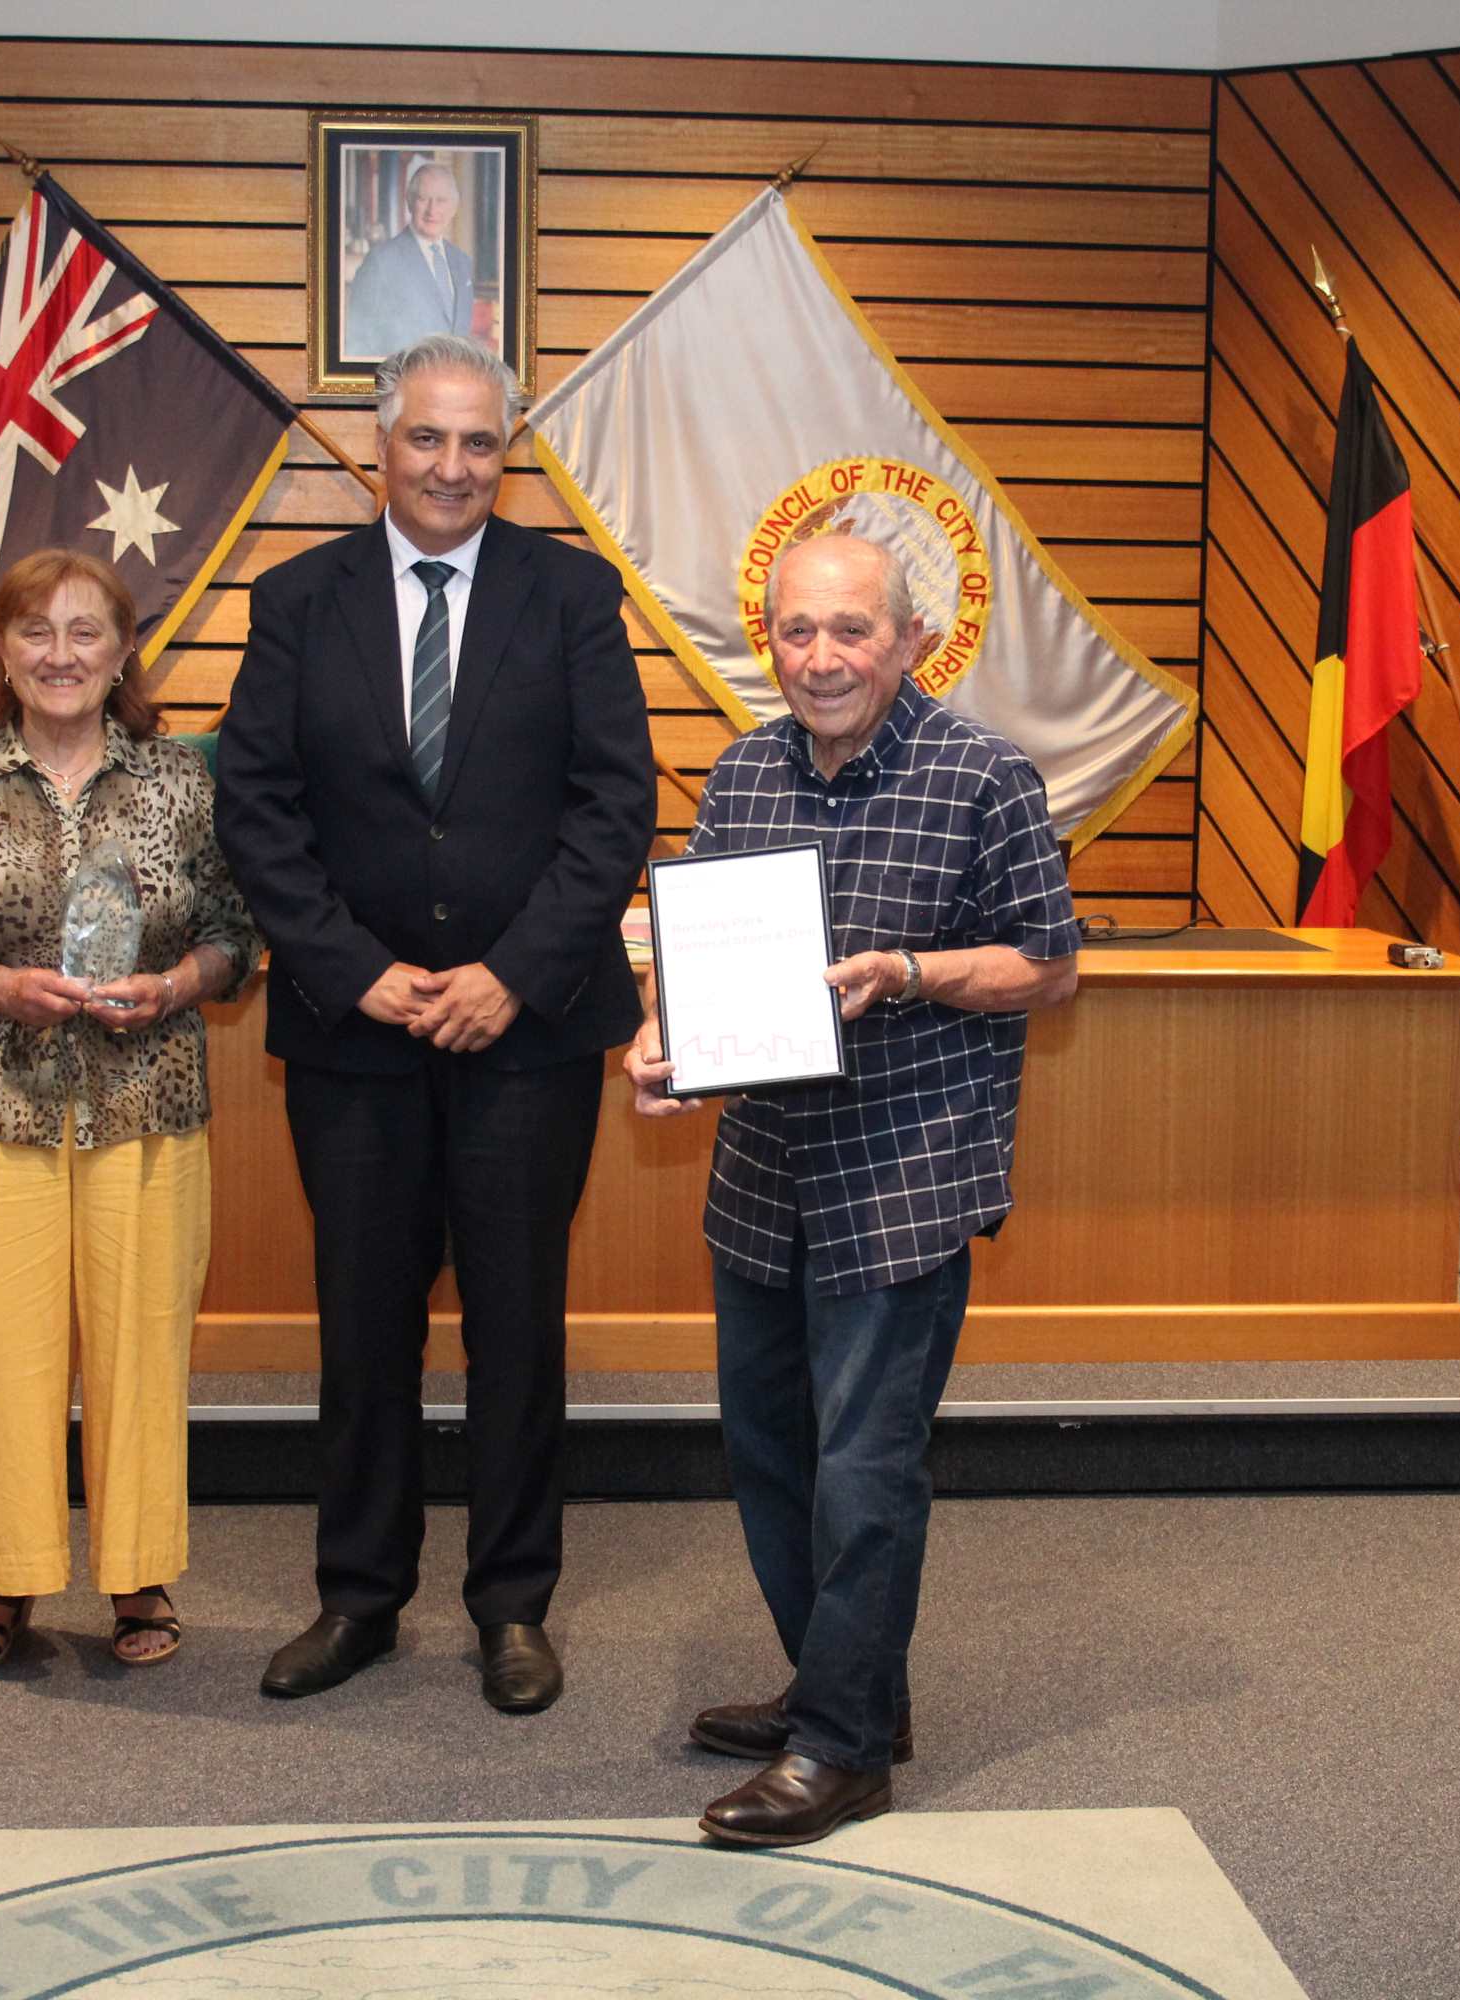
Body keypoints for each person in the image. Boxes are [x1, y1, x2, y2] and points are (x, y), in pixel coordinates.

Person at [215, 330, 655, 1714]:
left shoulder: (574, 597)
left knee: (518, 1327)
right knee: (365, 1325)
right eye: (428, 438)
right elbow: (259, 813)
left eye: (480, 443)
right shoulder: (295, 601)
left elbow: (614, 807)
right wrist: (357, 970)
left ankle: (513, 1605)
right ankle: (359, 1598)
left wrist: (513, 973)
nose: (454, 465)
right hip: (357, 1037)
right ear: (382, 447)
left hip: (530, 1029)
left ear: (504, 455)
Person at [624, 533, 1079, 1847]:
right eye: (795, 632)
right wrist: (663, 1047)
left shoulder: (983, 775)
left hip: (905, 1173)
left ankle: (842, 1749)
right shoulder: (744, 771)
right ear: (767, 641)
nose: (819, 657)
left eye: (849, 631)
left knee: (863, 1474)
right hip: (763, 1175)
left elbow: (1048, 969)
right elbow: (693, 957)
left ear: (909, 640)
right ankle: (849, 1693)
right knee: (771, 1460)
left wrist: (909, 972)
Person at [0, 546, 261, 1675]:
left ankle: (139, 1572)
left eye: (87, 632)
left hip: (150, 1100)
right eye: (38, 632)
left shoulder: (181, 782)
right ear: (3, 646)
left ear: (124, 649)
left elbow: (238, 932)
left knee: (143, 1349)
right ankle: (2, 1575)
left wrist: (179, 985)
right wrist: (1, 987)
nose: (62, 655)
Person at [343, 160, 475, 358]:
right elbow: (357, 342)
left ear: (454, 207)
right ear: (409, 201)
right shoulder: (381, 261)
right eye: (423, 198)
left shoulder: (462, 262)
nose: (432, 210)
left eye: (441, 200)